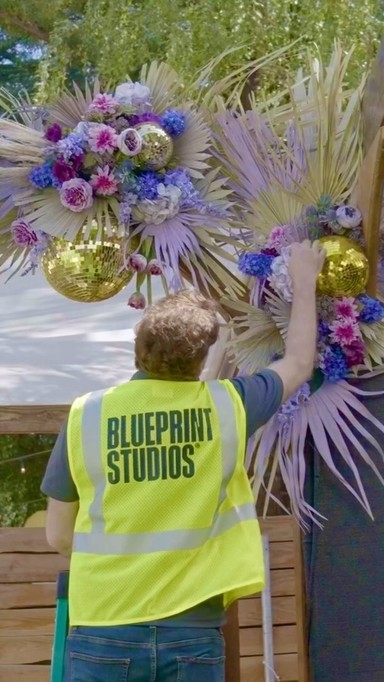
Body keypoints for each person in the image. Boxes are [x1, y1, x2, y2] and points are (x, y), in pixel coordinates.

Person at [41, 239, 325, 682]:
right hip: (192, 630)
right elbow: (300, 362)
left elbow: (58, 535)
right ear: (202, 356)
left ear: (140, 347)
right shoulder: (229, 405)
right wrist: (305, 280)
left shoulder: (87, 414)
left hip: (103, 626)